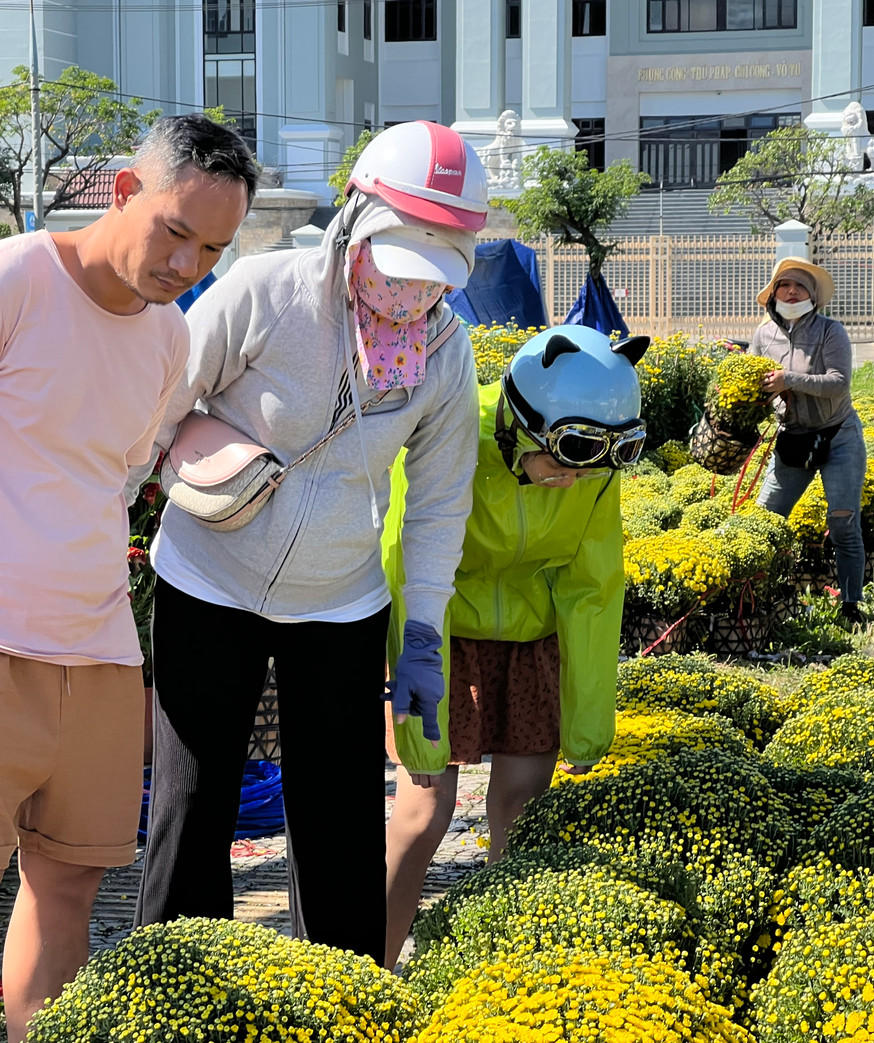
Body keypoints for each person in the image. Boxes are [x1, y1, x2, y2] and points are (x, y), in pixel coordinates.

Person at [0, 115, 256, 1042]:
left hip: (103, 650)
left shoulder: (168, 341)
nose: (188, 263)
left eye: (213, 247)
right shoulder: (0, 281)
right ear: (123, 190)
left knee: (70, 888)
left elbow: (115, 477)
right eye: (175, 231)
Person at [132, 120, 488, 964]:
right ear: (355, 223)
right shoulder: (266, 291)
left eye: (432, 278)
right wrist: (102, 541)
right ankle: (175, 987)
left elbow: (439, 505)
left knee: (338, 821)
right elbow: (155, 409)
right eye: (398, 267)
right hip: (207, 578)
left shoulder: (444, 350)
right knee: (192, 804)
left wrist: (425, 635)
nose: (408, 296)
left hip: (341, 600)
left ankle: (342, 998)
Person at [381, 324, 645, 967]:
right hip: (439, 633)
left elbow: (592, 589)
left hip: (532, 643)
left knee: (523, 813)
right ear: (518, 426)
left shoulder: (593, 467)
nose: (568, 483)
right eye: (559, 461)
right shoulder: (448, 432)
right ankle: (367, 970)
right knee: (424, 813)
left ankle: (500, 974)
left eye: (589, 469)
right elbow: (405, 567)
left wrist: (588, 728)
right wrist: (418, 723)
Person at [749, 257, 867, 624]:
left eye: (800, 286)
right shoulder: (762, 335)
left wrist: (790, 381)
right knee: (763, 522)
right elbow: (755, 385)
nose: (792, 291)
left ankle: (851, 606)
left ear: (813, 296)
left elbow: (839, 382)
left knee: (844, 522)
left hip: (838, 436)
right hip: (793, 440)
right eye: (785, 285)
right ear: (774, 293)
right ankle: (756, 601)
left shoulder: (832, 332)